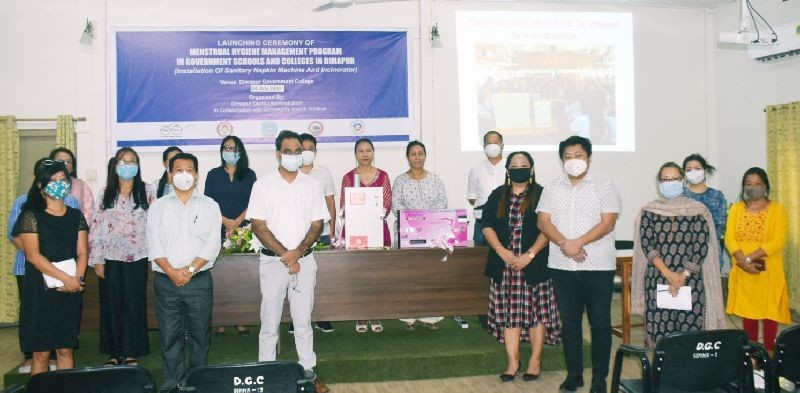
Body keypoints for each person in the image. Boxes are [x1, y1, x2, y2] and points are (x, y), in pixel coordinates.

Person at [536, 135, 621, 393]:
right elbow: (543, 222)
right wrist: (565, 243)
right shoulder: (552, 187)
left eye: (579, 156)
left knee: (600, 323)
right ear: (562, 160)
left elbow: (608, 222)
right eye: (568, 157)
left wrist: (578, 243)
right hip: (562, 267)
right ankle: (574, 375)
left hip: (598, 266)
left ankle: (599, 378)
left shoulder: (604, 185)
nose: (574, 161)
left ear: (589, 158)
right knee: (570, 323)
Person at [247, 130, 330, 393]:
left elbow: (318, 223)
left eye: (298, 151)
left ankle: (308, 373)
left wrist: (299, 252)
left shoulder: (312, 185)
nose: (294, 156)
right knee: (269, 323)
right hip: (273, 264)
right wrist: (287, 255)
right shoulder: (262, 185)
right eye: (288, 151)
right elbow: (258, 226)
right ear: (277, 154)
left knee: (303, 322)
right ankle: (266, 374)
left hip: (305, 262)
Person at [482, 151, 561, 382]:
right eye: (514, 165)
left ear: (532, 169)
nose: (519, 168)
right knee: (510, 315)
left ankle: (535, 360)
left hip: (534, 265)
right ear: (507, 170)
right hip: (504, 266)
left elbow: (549, 228)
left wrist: (530, 254)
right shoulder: (498, 194)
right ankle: (512, 361)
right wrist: (502, 252)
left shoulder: (542, 194)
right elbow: (486, 225)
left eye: (524, 165)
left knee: (536, 314)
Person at [146, 152, 221, 391]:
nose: (184, 174)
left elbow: (212, 244)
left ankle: (199, 384)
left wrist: (188, 270)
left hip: (198, 281)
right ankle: (173, 385)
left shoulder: (210, 205)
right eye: (178, 170)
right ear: (169, 176)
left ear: (196, 175)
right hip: (166, 282)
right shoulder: (158, 207)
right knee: (170, 338)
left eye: (189, 170)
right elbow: (154, 244)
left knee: (200, 338)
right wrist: (172, 272)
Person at [632, 162, 725, 349]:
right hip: (657, 280)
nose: (670, 182)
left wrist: (683, 276)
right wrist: (669, 275)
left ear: (682, 181)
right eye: (665, 179)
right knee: (661, 336)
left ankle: (689, 376)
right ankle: (663, 376)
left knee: (689, 337)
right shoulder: (649, 211)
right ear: (658, 183)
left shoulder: (697, 210)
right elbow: (648, 245)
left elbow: (700, 246)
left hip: (691, 281)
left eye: (674, 178)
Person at [12, 159, 88, 376]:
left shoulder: (76, 215)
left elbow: (82, 251)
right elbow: (33, 256)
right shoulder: (31, 215)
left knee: (65, 349)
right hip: (40, 290)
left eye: (63, 180)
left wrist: (77, 280)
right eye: (52, 180)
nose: (59, 184)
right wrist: (66, 278)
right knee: (42, 353)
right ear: (40, 186)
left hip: (70, 289)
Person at [90, 148, 154, 366]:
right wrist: (97, 259)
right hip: (110, 258)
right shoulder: (105, 192)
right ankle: (114, 352)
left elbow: (154, 225)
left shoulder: (147, 190)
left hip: (138, 257)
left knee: (134, 304)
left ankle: (130, 351)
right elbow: (96, 228)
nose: (128, 165)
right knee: (112, 304)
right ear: (115, 165)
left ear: (138, 165)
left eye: (132, 161)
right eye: (123, 161)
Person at [725, 167, 790, 354]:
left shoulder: (777, 210)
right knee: (748, 313)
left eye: (758, 183)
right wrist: (742, 261)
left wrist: (749, 258)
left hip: (769, 270)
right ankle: (752, 355)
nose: (753, 187)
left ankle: (769, 353)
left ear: (766, 185)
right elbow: (729, 237)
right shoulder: (737, 209)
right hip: (743, 269)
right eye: (748, 184)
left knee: (770, 313)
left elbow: (778, 240)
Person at [204, 136, 257, 338]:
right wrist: (226, 221)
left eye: (234, 148)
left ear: (241, 151)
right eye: (227, 148)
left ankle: (240, 318)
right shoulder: (213, 174)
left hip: (244, 230)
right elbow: (208, 202)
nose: (230, 151)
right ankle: (220, 321)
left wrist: (237, 223)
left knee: (240, 277)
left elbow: (255, 201)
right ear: (221, 151)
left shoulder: (250, 175)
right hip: (217, 230)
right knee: (219, 277)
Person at [393, 141, 447, 331]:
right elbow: (396, 206)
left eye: (421, 153)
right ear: (407, 157)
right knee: (408, 275)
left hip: (432, 234)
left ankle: (431, 317)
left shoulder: (435, 179)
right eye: (413, 154)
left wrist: (427, 223)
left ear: (425, 156)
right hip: (408, 234)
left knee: (429, 275)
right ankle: (408, 316)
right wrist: (416, 221)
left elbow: (442, 204)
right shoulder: (400, 180)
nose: (417, 157)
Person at [340, 138, 391, 334]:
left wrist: (373, 217)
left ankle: (375, 312)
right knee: (358, 275)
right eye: (360, 151)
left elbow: (386, 205)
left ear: (373, 152)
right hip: (355, 231)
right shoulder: (348, 177)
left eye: (368, 150)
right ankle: (360, 314)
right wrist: (359, 217)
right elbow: (344, 205)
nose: (365, 154)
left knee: (376, 275)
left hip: (378, 230)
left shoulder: (384, 176)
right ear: (355, 154)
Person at [297, 133, 336, 334]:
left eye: (310, 148)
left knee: (322, 277)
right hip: (297, 235)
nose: (307, 151)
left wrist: (333, 230)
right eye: (303, 148)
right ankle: (296, 320)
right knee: (297, 278)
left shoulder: (324, 173)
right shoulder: (290, 172)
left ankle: (322, 317)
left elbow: (330, 202)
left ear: (315, 151)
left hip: (322, 233)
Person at [683, 154, 729, 275]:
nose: (693, 172)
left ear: (705, 171)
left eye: (697, 168)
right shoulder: (680, 197)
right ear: (684, 174)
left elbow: (721, 227)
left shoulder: (717, 196)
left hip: (711, 253)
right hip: (684, 254)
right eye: (689, 170)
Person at [467, 131, 506, 246]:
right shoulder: (476, 169)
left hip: (505, 221)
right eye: (489, 143)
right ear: (484, 147)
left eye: (496, 142)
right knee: (479, 260)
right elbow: (472, 198)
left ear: (502, 145)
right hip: (482, 222)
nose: (492, 146)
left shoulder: (510, 167)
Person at [49, 147, 95, 223]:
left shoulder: (81, 185)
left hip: (76, 229)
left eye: (68, 162)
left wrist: (78, 227)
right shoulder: (46, 184)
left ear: (72, 168)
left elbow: (89, 212)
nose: (64, 165)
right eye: (60, 161)